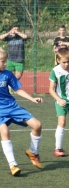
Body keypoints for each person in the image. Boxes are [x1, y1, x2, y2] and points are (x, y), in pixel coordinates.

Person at [0, 47, 43, 176]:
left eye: (5, 61)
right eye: (2, 61)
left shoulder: (7, 74)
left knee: (37, 125)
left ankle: (32, 152)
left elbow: (17, 90)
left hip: (12, 107)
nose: (5, 63)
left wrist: (31, 98)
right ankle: (13, 165)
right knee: (5, 132)